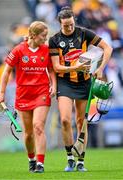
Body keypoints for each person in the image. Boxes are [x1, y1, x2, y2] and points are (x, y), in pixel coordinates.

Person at [49, 6, 112, 172]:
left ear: (74, 21)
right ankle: (70, 158)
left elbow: (107, 48)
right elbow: (56, 67)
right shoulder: (54, 40)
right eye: (65, 26)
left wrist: (100, 69)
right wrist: (75, 68)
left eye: (71, 24)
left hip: (84, 83)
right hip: (65, 83)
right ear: (60, 24)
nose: (69, 28)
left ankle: (81, 161)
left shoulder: (84, 33)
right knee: (64, 120)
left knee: (81, 122)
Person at [0, 21, 56, 173]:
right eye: (43, 36)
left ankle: (40, 164)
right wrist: (2, 93)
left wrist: (53, 84)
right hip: (23, 95)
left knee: (38, 126)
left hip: (41, 92)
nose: (45, 38)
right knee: (28, 134)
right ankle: (32, 159)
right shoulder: (18, 50)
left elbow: (51, 69)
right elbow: (6, 72)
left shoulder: (46, 50)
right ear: (34, 36)